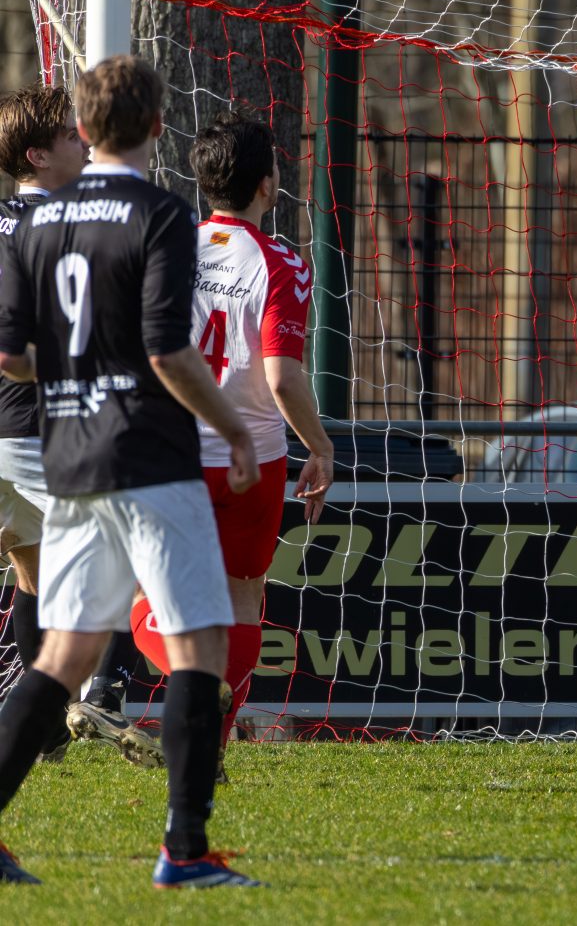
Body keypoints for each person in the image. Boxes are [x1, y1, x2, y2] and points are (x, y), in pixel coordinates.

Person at [0, 55, 262, 887]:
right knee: (200, 646)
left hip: (71, 455)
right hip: (148, 455)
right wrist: (232, 428)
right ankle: (185, 850)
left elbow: (12, 355)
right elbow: (167, 352)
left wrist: (76, 374)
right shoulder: (161, 214)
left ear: (83, 129)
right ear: (156, 125)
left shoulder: (35, 220)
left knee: (63, 655)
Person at [125, 115, 334, 782]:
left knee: (145, 603)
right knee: (245, 602)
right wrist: (320, 446)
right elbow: (283, 376)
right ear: (267, 185)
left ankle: (191, 687)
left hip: (173, 451)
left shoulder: (167, 247)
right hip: (257, 459)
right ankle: (207, 741)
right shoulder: (283, 263)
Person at [0, 87, 88, 766]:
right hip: (34, 430)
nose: (83, 142)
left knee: (30, 569)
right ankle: (102, 694)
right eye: (69, 135)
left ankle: (47, 733)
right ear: (37, 155)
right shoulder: (61, 230)